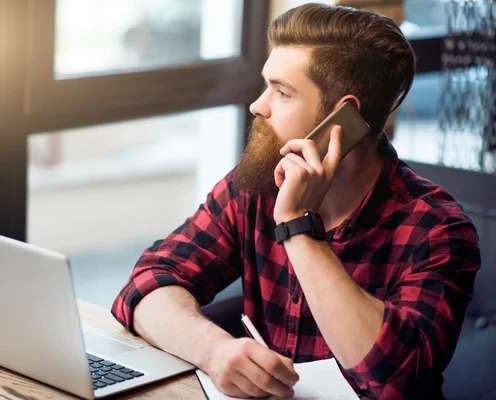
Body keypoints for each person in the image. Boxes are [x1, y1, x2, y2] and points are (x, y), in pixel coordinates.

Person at [111, 4, 481, 399]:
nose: (258, 105)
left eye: (282, 92)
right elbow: (147, 282)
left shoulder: (437, 229)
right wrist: (214, 351)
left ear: (342, 121)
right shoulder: (254, 187)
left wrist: (298, 227)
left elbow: (393, 378)